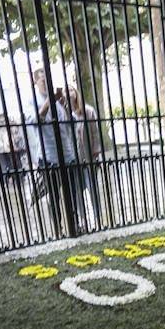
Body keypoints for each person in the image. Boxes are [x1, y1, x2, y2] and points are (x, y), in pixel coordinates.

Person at [26, 67, 79, 230]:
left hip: (68, 155)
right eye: (43, 80)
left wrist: (64, 107)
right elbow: (33, 120)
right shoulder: (32, 101)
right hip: (48, 158)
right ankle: (57, 228)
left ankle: (74, 224)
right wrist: (49, 102)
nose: (47, 84)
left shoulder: (58, 101)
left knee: (71, 194)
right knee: (53, 196)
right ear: (35, 82)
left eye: (49, 80)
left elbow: (73, 123)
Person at [68, 86, 103, 228]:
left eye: (71, 90)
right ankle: (82, 219)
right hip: (72, 158)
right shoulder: (63, 114)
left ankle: (98, 217)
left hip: (87, 157)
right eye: (65, 90)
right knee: (76, 191)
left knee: (92, 188)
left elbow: (95, 132)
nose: (68, 93)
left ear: (76, 93)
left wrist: (96, 152)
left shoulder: (87, 111)